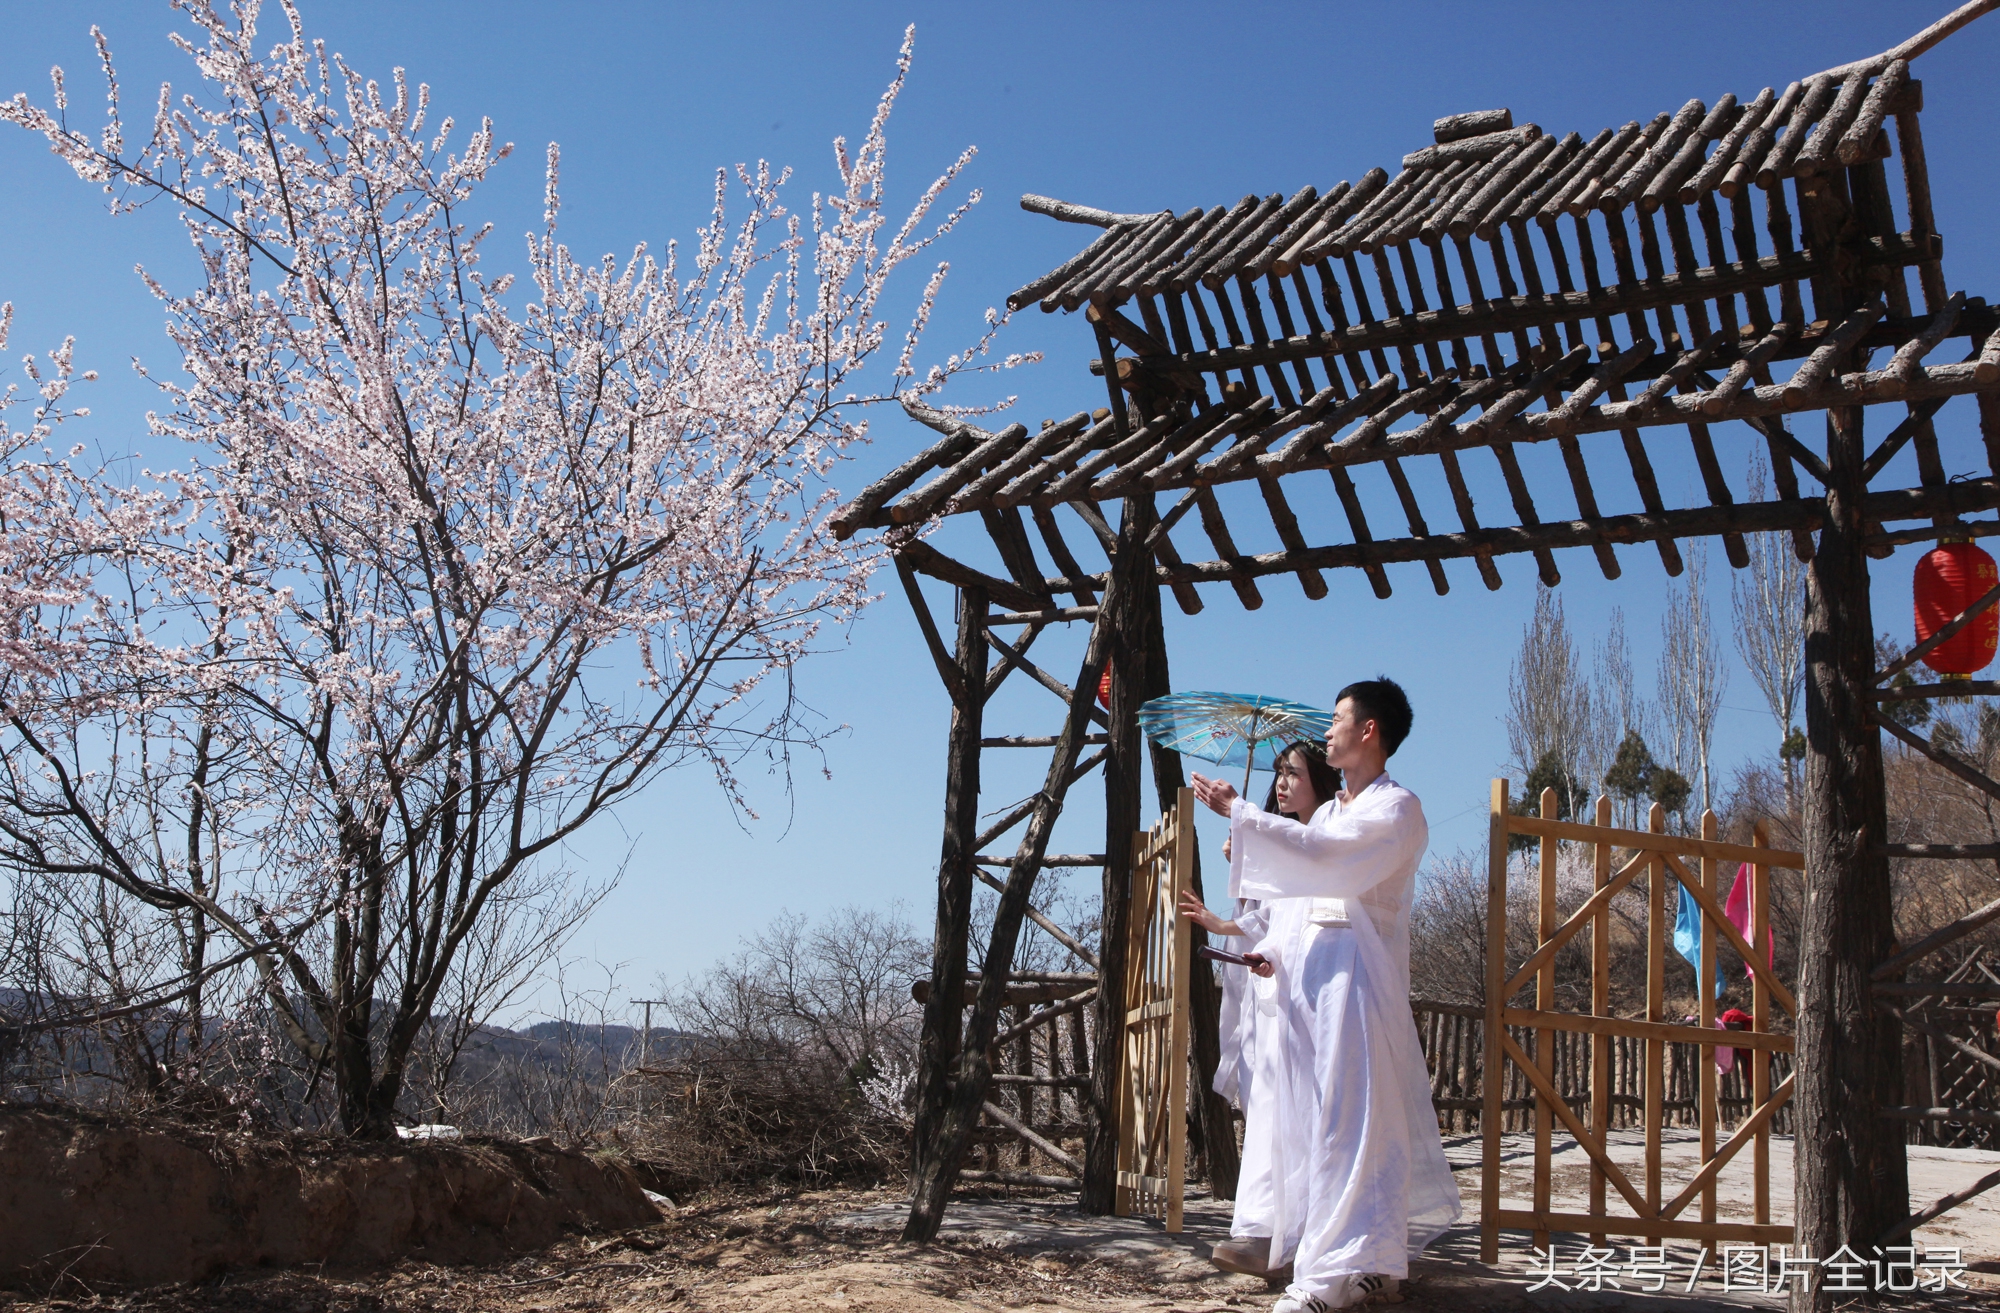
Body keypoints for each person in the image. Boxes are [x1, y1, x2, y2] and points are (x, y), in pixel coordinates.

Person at [1183, 678, 1461, 1313]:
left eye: (1339, 719)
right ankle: (1342, 1257)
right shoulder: (1333, 810)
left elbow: (1333, 860)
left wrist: (1245, 817)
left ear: (1369, 731)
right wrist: (1269, 948)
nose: (1329, 729)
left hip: (1355, 980)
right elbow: (1300, 899)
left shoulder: (1397, 809)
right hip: (1307, 981)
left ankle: (1338, 1272)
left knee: (1350, 1123)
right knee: (1310, 1121)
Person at [1191, 742, 1342, 1283]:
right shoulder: (1290, 837)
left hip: (1318, 992)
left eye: (1293, 773)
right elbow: (1273, 921)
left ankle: (1289, 1236)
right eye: (1278, 773)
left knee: (1304, 1112)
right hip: (1278, 989)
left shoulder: (1328, 829)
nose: (1281, 783)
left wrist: (1251, 844)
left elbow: (1302, 910)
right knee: (1274, 1111)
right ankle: (1265, 1232)